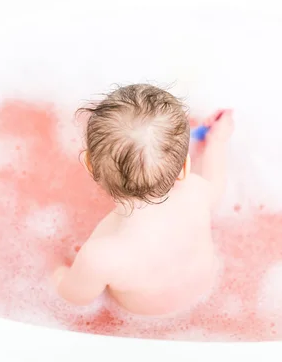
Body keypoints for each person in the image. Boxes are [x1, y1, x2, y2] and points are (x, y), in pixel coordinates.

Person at [53, 84, 234, 315]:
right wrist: (218, 141)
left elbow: (75, 297)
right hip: (204, 287)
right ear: (185, 167)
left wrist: (57, 273)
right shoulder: (196, 191)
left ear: (90, 165)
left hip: (145, 314)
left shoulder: (101, 254)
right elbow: (216, 184)